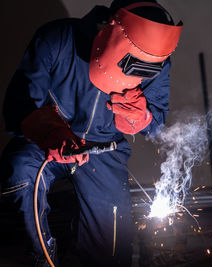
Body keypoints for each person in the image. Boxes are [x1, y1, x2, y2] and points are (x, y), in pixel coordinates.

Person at [0, 0, 182, 266]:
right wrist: (50, 130)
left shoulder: (157, 61)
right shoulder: (58, 38)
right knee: (20, 173)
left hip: (104, 150)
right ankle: (40, 256)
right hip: (47, 141)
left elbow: (156, 124)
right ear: (111, 27)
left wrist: (140, 116)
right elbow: (18, 105)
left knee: (111, 252)